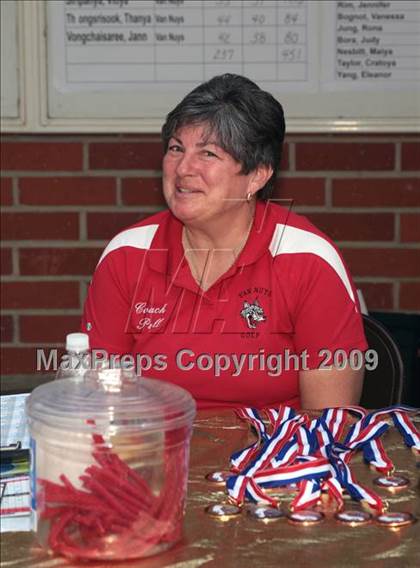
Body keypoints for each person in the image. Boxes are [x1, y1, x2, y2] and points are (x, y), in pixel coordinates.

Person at [82, 74, 367, 410]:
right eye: (176, 148)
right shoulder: (126, 256)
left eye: (208, 154)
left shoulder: (309, 261)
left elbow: (327, 426)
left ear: (257, 175)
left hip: (276, 457)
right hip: (153, 451)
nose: (183, 168)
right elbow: (99, 408)